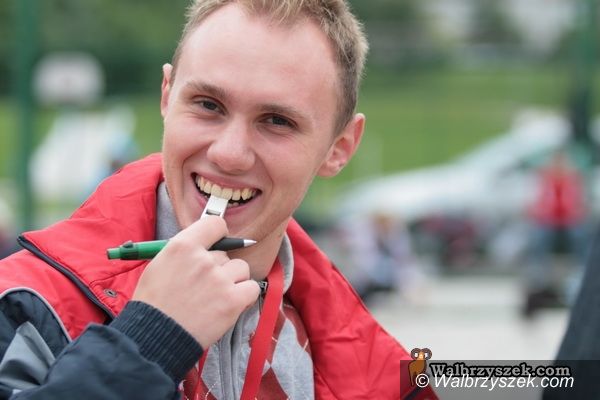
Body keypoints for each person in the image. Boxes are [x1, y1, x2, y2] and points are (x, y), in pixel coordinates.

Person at [0, 1, 436, 399]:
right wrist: (147, 341)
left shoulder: (386, 377)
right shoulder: (21, 304)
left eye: (276, 120)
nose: (229, 153)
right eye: (208, 104)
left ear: (339, 148)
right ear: (167, 95)